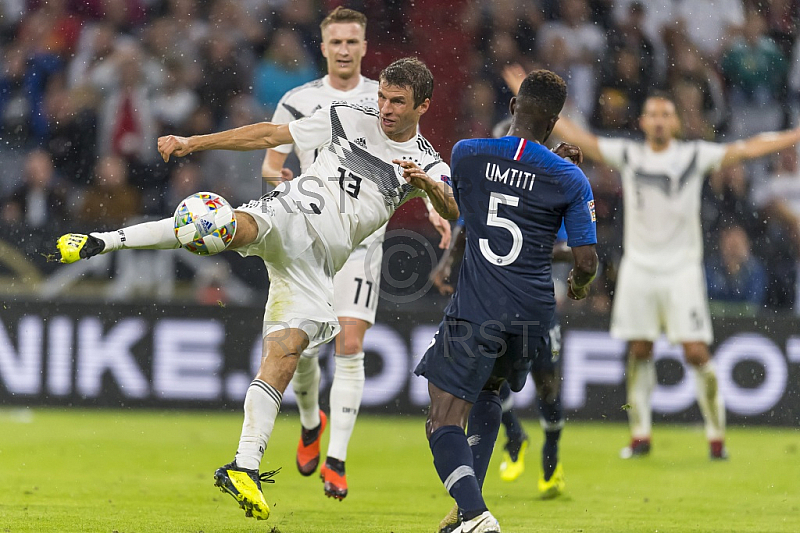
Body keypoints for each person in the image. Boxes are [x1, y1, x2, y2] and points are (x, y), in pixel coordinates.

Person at [53, 57, 458, 521]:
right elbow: (271, 134)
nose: (384, 108)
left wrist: (427, 187)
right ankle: (103, 241)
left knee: (286, 352)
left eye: (397, 102)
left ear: (422, 106)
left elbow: (451, 205)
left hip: (315, 264)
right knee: (216, 225)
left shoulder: (428, 160)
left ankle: (244, 466)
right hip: (285, 215)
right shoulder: (352, 114)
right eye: (383, 96)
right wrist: (193, 142)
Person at [261, 6, 449, 500]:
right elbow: (271, 160)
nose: (344, 49)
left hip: (362, 242)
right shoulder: (298, 99)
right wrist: (279, 180)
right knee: (300, 347)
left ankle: (337, 459)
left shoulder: (384, 98)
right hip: (305, 234)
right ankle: (309, 419)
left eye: (352, 42)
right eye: (336, 42)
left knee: (350, 342)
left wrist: (435, 210)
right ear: (323, 47)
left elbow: (420, 171)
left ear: (365, 47)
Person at [553, 91, 800, 459]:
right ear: (642, 122)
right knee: (639, 349)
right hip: (639, 268)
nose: (658, 119)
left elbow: (747, 149)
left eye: (665, 114)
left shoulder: (693, 156)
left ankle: (717, 437)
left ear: (675, 122)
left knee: (696, 352)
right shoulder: (630, 155)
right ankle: (640, 436)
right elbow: (584, 141)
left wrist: (792, 136)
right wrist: (541, 108)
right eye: (652, 113)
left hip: (682, 269)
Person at [415, 69, 598, 533]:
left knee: (441, 414)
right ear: (554, 123)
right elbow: (587, 260)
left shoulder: (468, 154)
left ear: (513, 108)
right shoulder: (570, 178)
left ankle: (475, 516)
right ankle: (463, 516)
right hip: (533, 312)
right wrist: (577, 287)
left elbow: (471, 215)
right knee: (488, 395)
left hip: (481, 303)